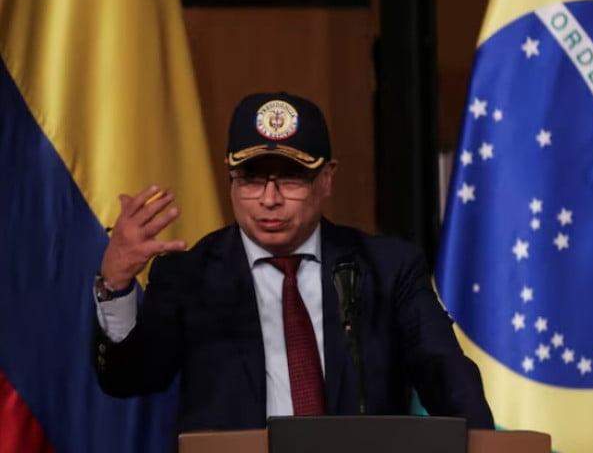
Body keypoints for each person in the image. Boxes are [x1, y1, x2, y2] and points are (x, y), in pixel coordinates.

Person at [93, 92, 494, 435]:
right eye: (251, 179)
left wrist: (484, 444)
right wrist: (115, 285)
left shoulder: (387, 269)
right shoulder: (189, 274)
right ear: (230, 178)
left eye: (290, 179)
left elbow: (444, 372)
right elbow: (129, 379)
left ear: (327, 179)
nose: (269, 199)